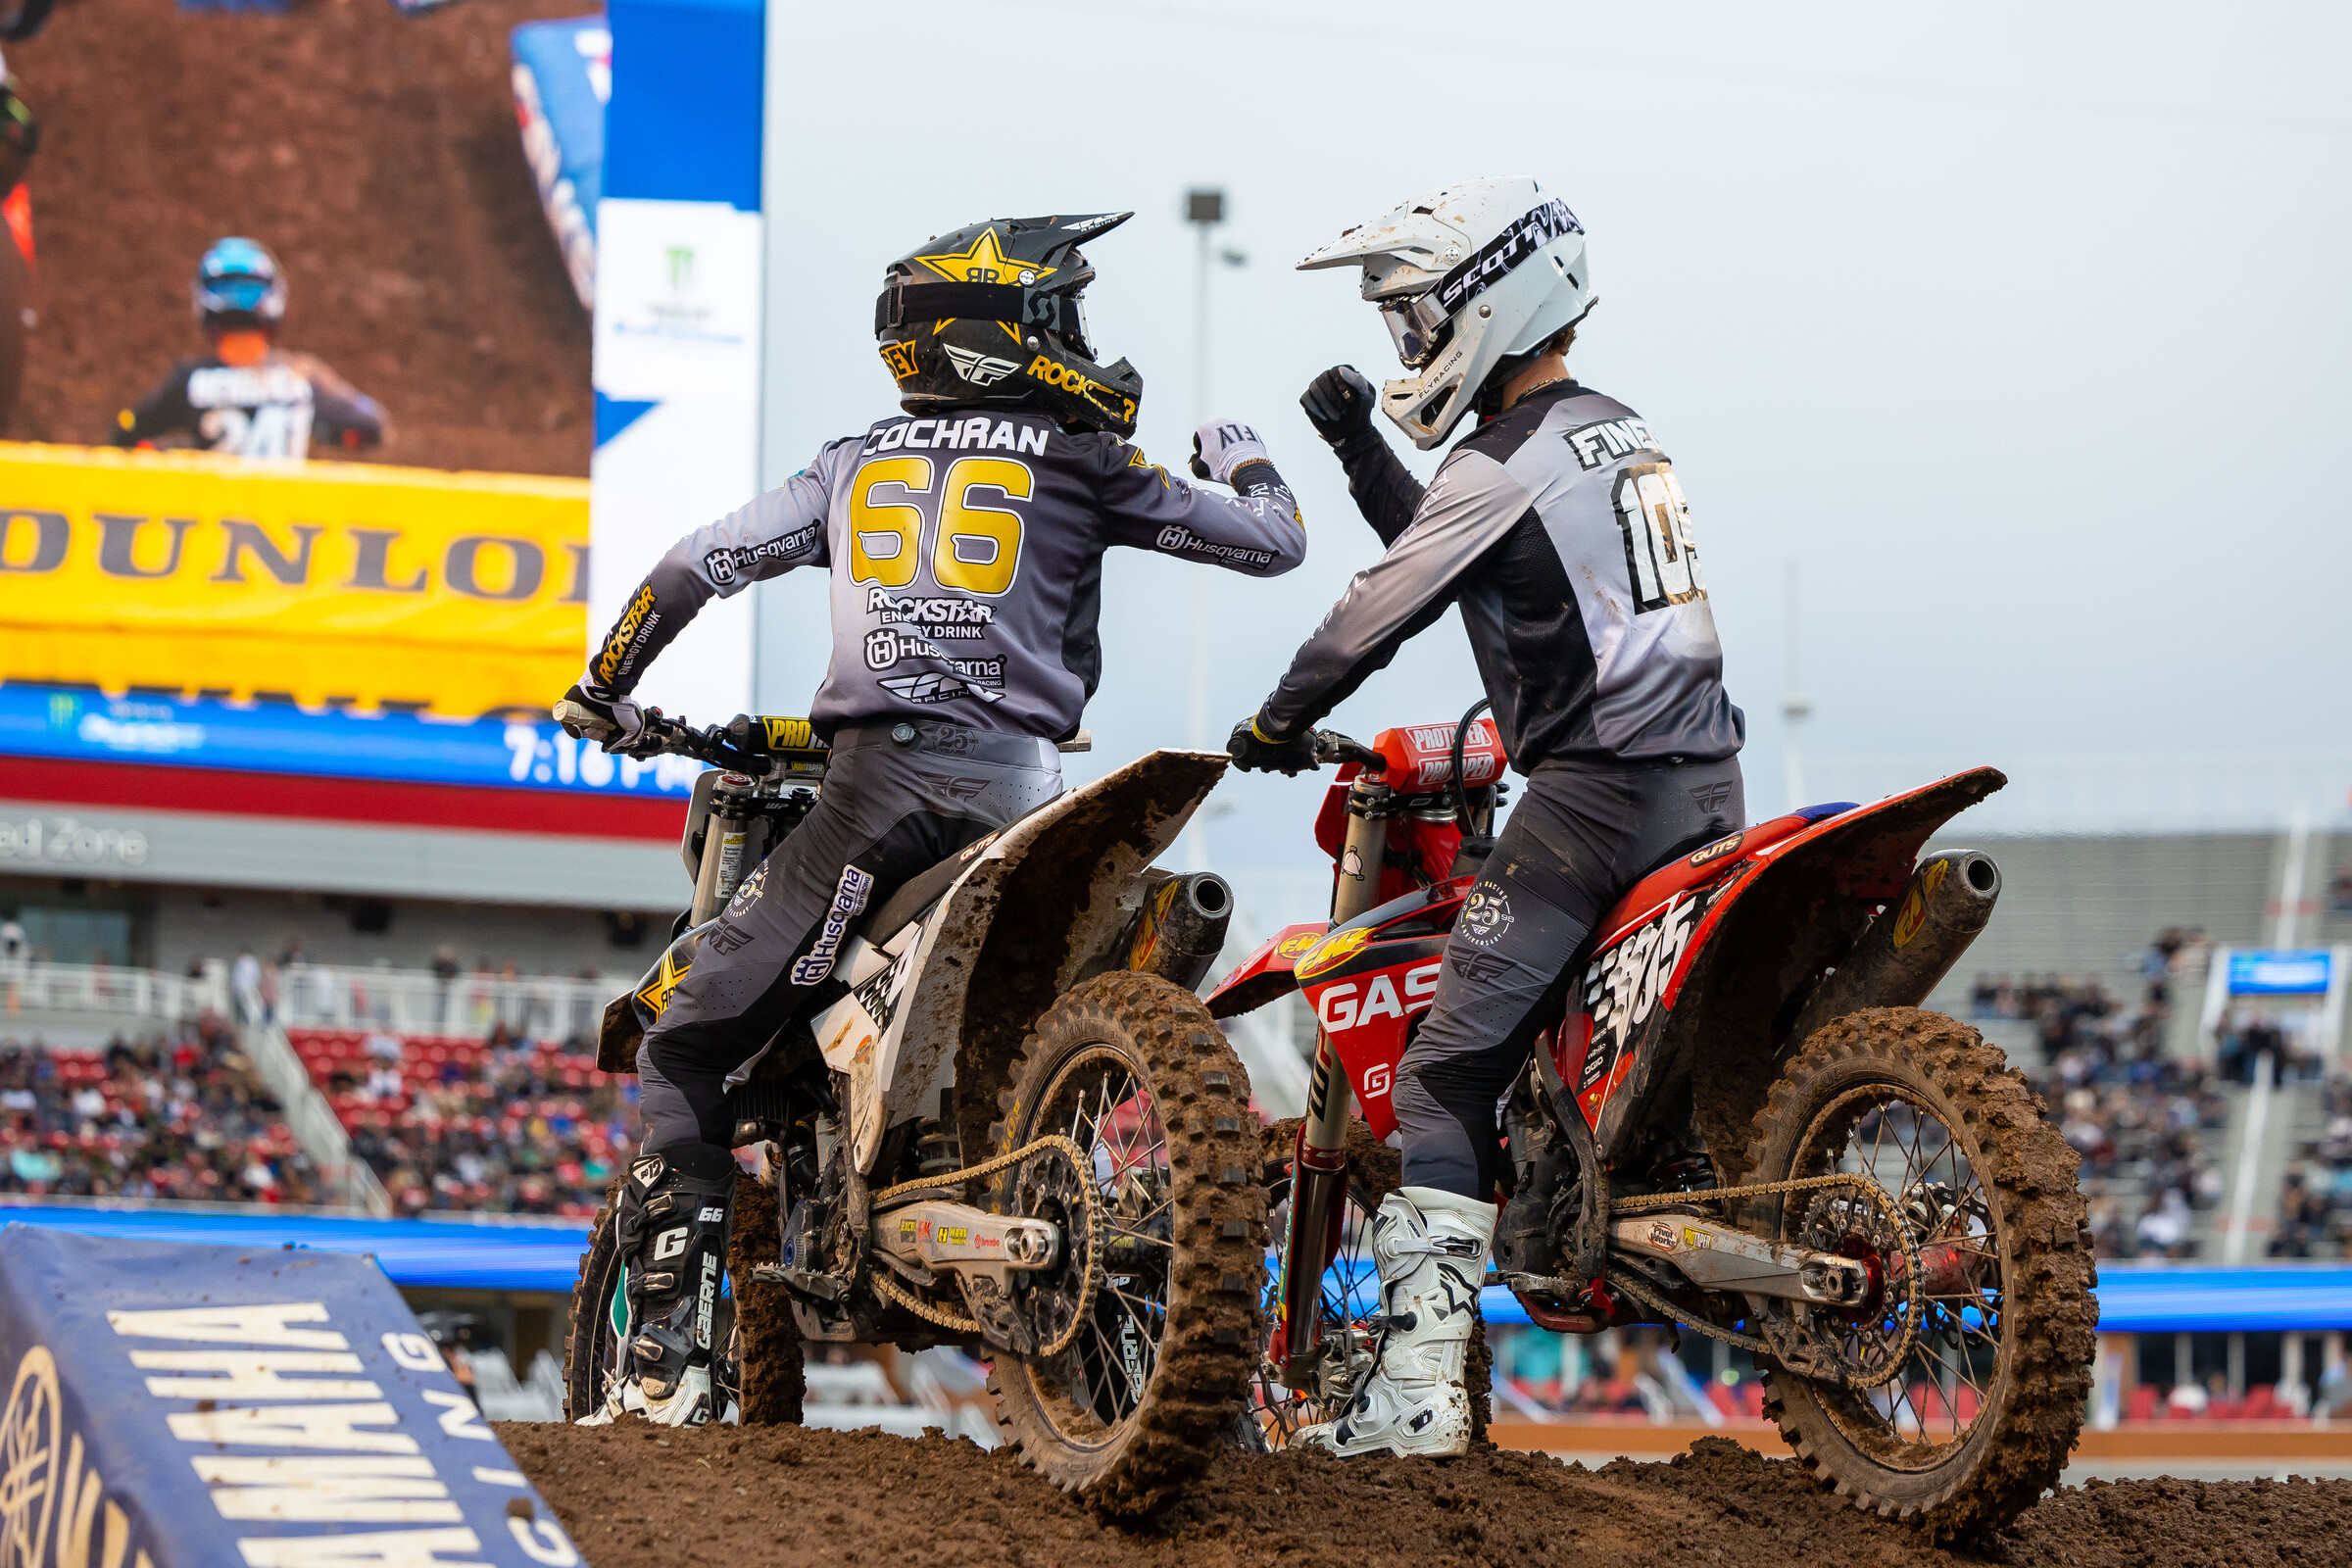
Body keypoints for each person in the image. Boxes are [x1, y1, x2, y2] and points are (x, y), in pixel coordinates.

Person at [559, 211, 1306, 1427]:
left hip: (882, 801)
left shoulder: (854, 462)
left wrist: (605, 685)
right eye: (1062, 316)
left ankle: (659, 1373)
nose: (1081, 343)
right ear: (1001, 335)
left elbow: (699, 561)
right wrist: (1249, 457)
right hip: (1027, 795)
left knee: (685, 1046)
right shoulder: (1080, 458)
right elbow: (1275, 544)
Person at [1225, 177, 1746, 1458]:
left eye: (1417, 322)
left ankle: (1414, 1400)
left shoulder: (1502, 461)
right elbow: (1460, 553)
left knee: (1445, 1073)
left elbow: (1378, 606)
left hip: (1594, 803)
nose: (1409, 350)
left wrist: (1273, 723)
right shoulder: (1618, 433)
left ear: (1489, 304)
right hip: (1708, 788)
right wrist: (1359, 447)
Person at [112, 238, 387, 461]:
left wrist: (176, 453)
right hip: (283, 523)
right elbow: (372, 426)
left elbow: (125, 435)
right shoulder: (302, 378)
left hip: (210, 525)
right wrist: (321, 430)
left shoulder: (189, 381)